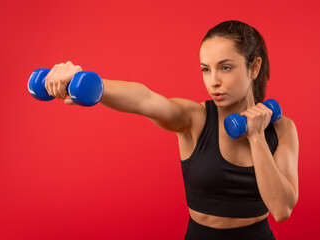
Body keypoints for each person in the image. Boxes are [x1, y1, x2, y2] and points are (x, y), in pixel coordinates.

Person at [44, 20, 299, 240]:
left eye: (226, 67)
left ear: (254, 67)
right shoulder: (194, 119)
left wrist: (256, 137)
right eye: (205, 69)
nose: (213, 81)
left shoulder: (281, 128)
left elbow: (281, 209)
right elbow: (146, 100)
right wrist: (91, 83)